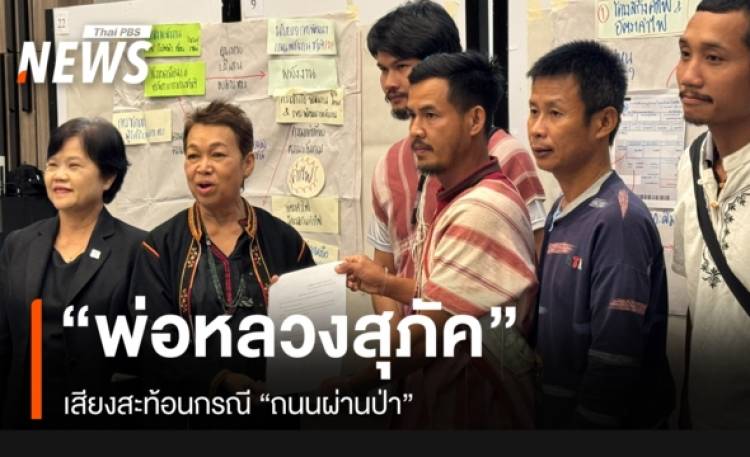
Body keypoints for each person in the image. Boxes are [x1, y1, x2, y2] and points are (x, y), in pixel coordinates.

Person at [335, 52, 538, 428]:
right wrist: (383, 283)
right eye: (413, 116)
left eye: (431, 115)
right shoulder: (461, 198)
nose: (415, 130)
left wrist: (344, 388)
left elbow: (423, 337)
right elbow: (450, 297)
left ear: (475, 120)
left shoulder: (481, 210)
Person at [128, 101, 315, 428]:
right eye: (193, 156)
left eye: (217, 155)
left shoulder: (285, 242)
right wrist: (220, 380)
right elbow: (150, 342)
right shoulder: (160, 247)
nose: (203, 167)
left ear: (247, 163)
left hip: (271, 419)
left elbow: (315, 333)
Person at [366, 0, 546, 322]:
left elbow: (536, 274)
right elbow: (384, 271)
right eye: (382, 69)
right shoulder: (388, 166)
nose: (389, 82)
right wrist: (395, 339)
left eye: (402, 66)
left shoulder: (507, 158)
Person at [527, 40, 675, 429]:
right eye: (533, 111)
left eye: (555, 113)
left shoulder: (618, 221)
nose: (537, 129)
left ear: (604, 122)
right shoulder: (561, 209)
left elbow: (613, 366)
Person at [0, 118, 145, 428]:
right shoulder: (18, 244)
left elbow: (149, 355)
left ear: (108, 177)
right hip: (26, 417)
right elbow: (5, 343)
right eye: (52, 165)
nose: (59, 175)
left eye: (74, 165)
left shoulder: (138, 249)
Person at [672, 0, 750, 429]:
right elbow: (698, 308)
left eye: (714, 58)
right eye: (686, 53)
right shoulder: (691, 163)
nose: (689, 75)